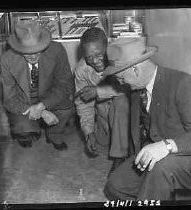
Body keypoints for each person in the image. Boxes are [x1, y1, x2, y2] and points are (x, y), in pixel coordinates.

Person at [103, 38, 191, 200]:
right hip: (160, 152)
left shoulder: (182, 83)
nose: (121, 84)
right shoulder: (138, 91)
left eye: (121, 79)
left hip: (184, 153)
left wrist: (166, 146)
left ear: (135, 70)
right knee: (115, 186)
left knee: (161, 169)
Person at [1, 21, 75, 149]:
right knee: (23, 129)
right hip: (23, 101)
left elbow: (65, 85)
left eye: (38, 50)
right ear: (18, 48)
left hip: (49, 96)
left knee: (66, 108)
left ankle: (54, 135)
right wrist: (42, 112)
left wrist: (42, 105)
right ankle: (26, 131)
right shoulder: (7, 59)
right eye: (27, 51)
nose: (33, 55)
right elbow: (9, 99)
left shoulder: (57, 50)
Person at [74, 27, 130, 170]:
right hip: (104, 115)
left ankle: (120, 156)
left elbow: (130, 88)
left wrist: (98, 91)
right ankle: (111, 135)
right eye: (89, 57)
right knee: (101, 143)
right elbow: (83, 103)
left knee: (121, 101)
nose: (94, 61)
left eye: (99, 54)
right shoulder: (81, 70)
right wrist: (88, 132)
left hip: (128, 114)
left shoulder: (122, 59)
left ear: (107, 47)